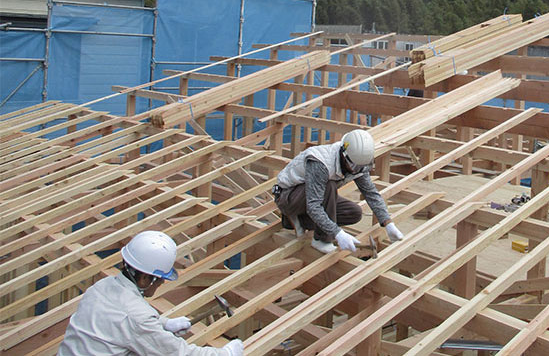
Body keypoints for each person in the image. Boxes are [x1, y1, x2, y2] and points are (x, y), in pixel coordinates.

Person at [58, 230, 244, 356]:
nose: (163, 282)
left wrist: (163, 324)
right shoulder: (137, 317)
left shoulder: (101, 287)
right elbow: (180, 353)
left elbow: (121, 322)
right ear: (145, 278)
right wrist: (225, 353)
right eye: (160, 278)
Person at [274, 129, 404, 254]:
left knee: (354, 213)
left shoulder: (358, 164)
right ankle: (321, 240)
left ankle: (296, 220)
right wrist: (338, 233)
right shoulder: (321, 163)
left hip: (312, 196)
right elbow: (314, 205)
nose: (356, 170)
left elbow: (371, 193)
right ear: (343, 154)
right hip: (288, 197)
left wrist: (388, 223)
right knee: (329, 186)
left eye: (360, 166)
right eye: (353, 166)